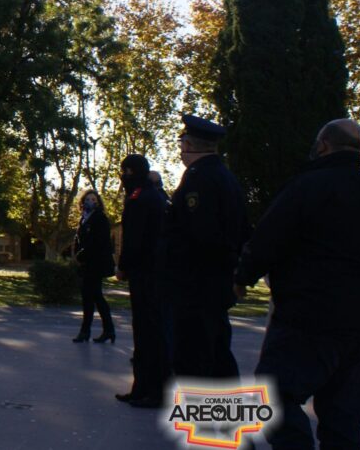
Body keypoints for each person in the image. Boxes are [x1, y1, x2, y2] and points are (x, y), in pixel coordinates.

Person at [235, 119, 360, 449]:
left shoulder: (307, 187)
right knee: (344, 414)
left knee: (274, 395)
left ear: (323, 146)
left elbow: (269, 238)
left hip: (310, 316)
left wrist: (242, 277)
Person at [164, 114, 248, 380]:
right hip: (213, 282)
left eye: (181, 144)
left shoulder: (199, 180)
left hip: (197, 284)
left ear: (187, 145)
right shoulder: (223, 176)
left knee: (196, 357)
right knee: (217, 352)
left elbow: (200, 235)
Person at [115, 154, 169, 408]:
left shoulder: (138, 198)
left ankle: (148, 389)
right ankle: (148, 388)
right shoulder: (156, 195)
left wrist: (123, 266)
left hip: (144, 273)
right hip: (157, 272)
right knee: (154, 332)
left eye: (125, 171)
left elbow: (133, 239)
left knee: (146, 333)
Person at [72, 189, 115, 343]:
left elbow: (99, 242)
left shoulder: (100, 218)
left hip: (96, 264)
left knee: (93, 296)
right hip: (86, 264)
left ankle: (91, 331)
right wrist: (77, 253)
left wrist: (82, 255)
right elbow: (79, 239)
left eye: (94, 199)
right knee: (91, 297)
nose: (91, 201)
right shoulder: (83, 218)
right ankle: (103, 330)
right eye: (88, 199)